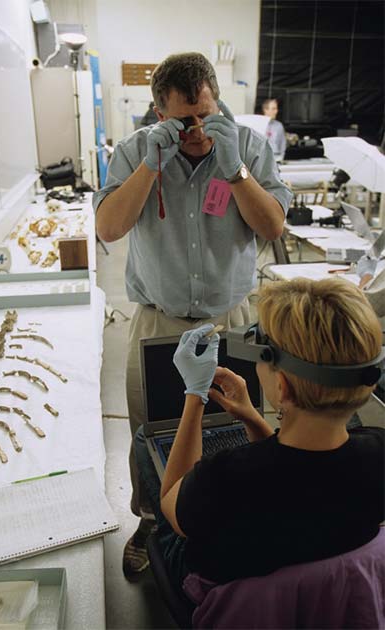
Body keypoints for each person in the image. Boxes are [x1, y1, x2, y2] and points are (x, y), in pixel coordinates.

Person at [93, 52, 292, 577]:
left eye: (209, 112)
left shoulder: (246, 145)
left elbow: (272, 227)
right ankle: (154, 520)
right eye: (185, 120)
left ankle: (235, 516)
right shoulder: (137, 150)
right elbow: (109, 229)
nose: (199, 128)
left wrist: (236, 170)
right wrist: (149, 167)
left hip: (234, 316)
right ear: (160, 114)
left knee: (240, 423)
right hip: (161, 321)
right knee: (152, 431)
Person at [134, 277, 384, 598]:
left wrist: (195, 395)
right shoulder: (377, 452)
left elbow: (173, 502)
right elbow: (301, 471)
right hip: (329, 595)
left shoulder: (225, 477)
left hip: (225, 594)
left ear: (282, 388)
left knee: (144, 439)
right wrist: (253, 417)